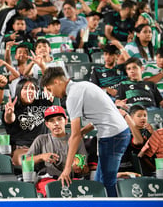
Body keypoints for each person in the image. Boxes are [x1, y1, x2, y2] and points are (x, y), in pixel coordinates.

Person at [41, 67, 131, 197]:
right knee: (98, 184)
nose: (52, 94)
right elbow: (102, 114)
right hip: (119, 133)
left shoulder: (72, 96)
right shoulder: (84, 85)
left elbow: (75, 135)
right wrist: (84, 131)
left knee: (106, 183)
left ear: (56, 82)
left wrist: (66, 169)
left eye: (50, 89)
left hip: (112, 136)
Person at [26, 105, 88, 197]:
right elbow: (25, 161)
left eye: (59, 119)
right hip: (48, 179)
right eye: (51, 121)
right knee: (50, 189)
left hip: (71, 180)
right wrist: (41, 157)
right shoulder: (41, 139)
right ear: (47, 124)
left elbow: (85, 169)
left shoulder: (76, 140)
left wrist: (79, 167)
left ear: (66, 121)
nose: (56, 123)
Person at [3, 77, 53, 165]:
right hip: (23, 148)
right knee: (22, 159)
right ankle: (41, 157)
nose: (29, 91)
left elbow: (50, 86)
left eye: (32, 88)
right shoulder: (14, 108)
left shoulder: (43, 102)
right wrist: (9, 113)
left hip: (45, 146)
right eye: (25, 88)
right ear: (19, 90)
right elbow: (10, 119)